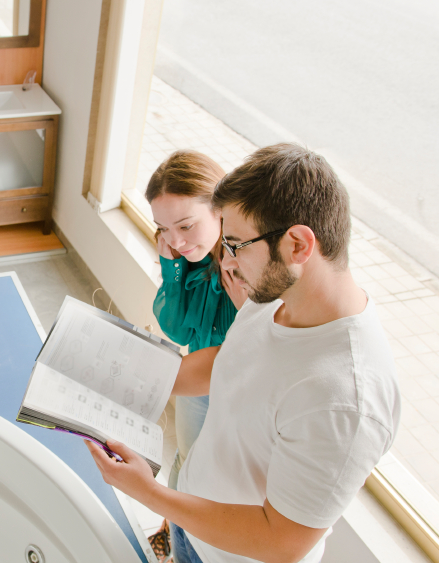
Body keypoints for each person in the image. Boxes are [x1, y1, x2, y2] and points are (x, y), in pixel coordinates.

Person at [86, 143, 400, 563]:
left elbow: (281, 542)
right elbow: (229, 360)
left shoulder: (346, 399)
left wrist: (151, 494)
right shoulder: (275, 296)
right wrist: (126, 372)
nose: (226, 262)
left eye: (235, 245)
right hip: (189, 519)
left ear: (297, 245)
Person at [145, 151, 247, 559]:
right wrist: (170, 266)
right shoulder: (186, 258)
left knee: (223, 477)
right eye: (163, 229)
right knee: (186, 460)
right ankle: (173, 525)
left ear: (220, 210)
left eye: (186, 225)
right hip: (199, 386)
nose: (176, 240)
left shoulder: (248, 264)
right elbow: (176, 328)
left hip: (241, 390)